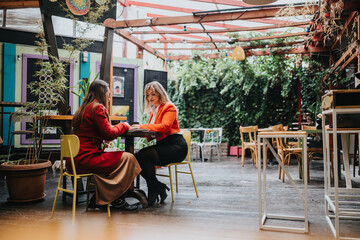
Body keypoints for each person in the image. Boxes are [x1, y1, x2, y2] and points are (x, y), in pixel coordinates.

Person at [70, 79, 141, 211]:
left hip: (75, 159)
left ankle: (100, 197)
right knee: (129, 158)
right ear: (103, 93)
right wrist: (123, 125)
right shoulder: (98, 108)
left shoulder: (84, 108)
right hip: (88, 158)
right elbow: (108, 134)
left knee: (119, 161)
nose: (109, 98)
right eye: (108, 94)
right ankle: (115, 199)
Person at [133, 81, 188, 206]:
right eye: (148, 95)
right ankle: (157, 187)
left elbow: (164, 127)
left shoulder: (169, 107)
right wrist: (137, 129)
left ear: (160, 94)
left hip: (176, 146)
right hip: (164, 145)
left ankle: (154, 189)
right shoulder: (154, 110)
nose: (150, 98)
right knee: (136, 158)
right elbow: (153, 131)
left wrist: (140, 126)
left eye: (153, 94)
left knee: (142, 156)